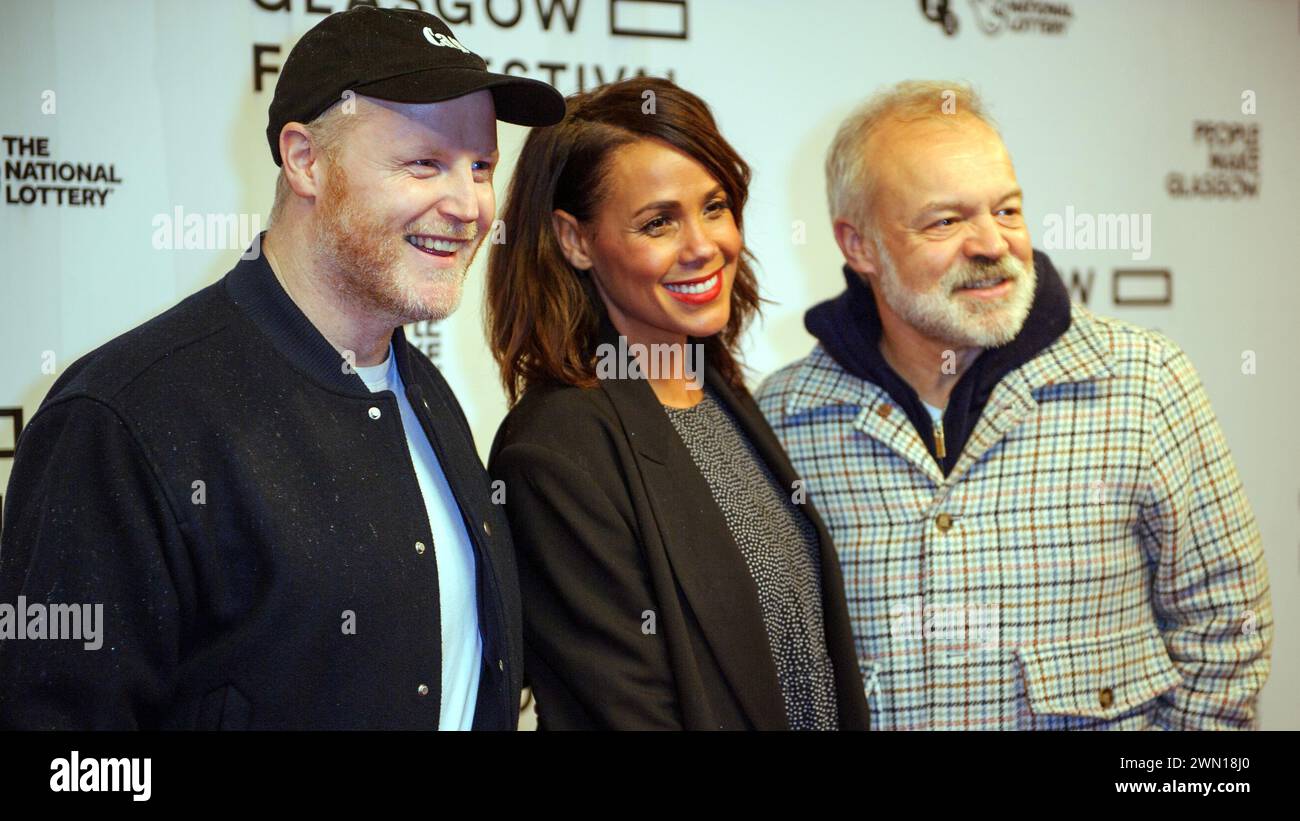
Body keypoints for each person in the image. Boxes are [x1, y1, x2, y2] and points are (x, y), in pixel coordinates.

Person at [0, 6, 564, 730]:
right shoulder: (121, 417)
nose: (469, 205)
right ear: (305, 160)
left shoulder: (428, 395)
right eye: (425, 162)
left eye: (482, 166)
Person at [757, 80, 1273, 730]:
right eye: (946, 220)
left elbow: (1225, 629)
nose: (991, 243)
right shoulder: (784, 416)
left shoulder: (1142, 383)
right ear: (859, 246)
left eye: (1006, 210)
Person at [485, 78, 870, 730]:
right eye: (658, 222)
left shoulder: (716, 392)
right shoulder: (555, 451)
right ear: (574, 240)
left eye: (714, 206)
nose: (703, 245)